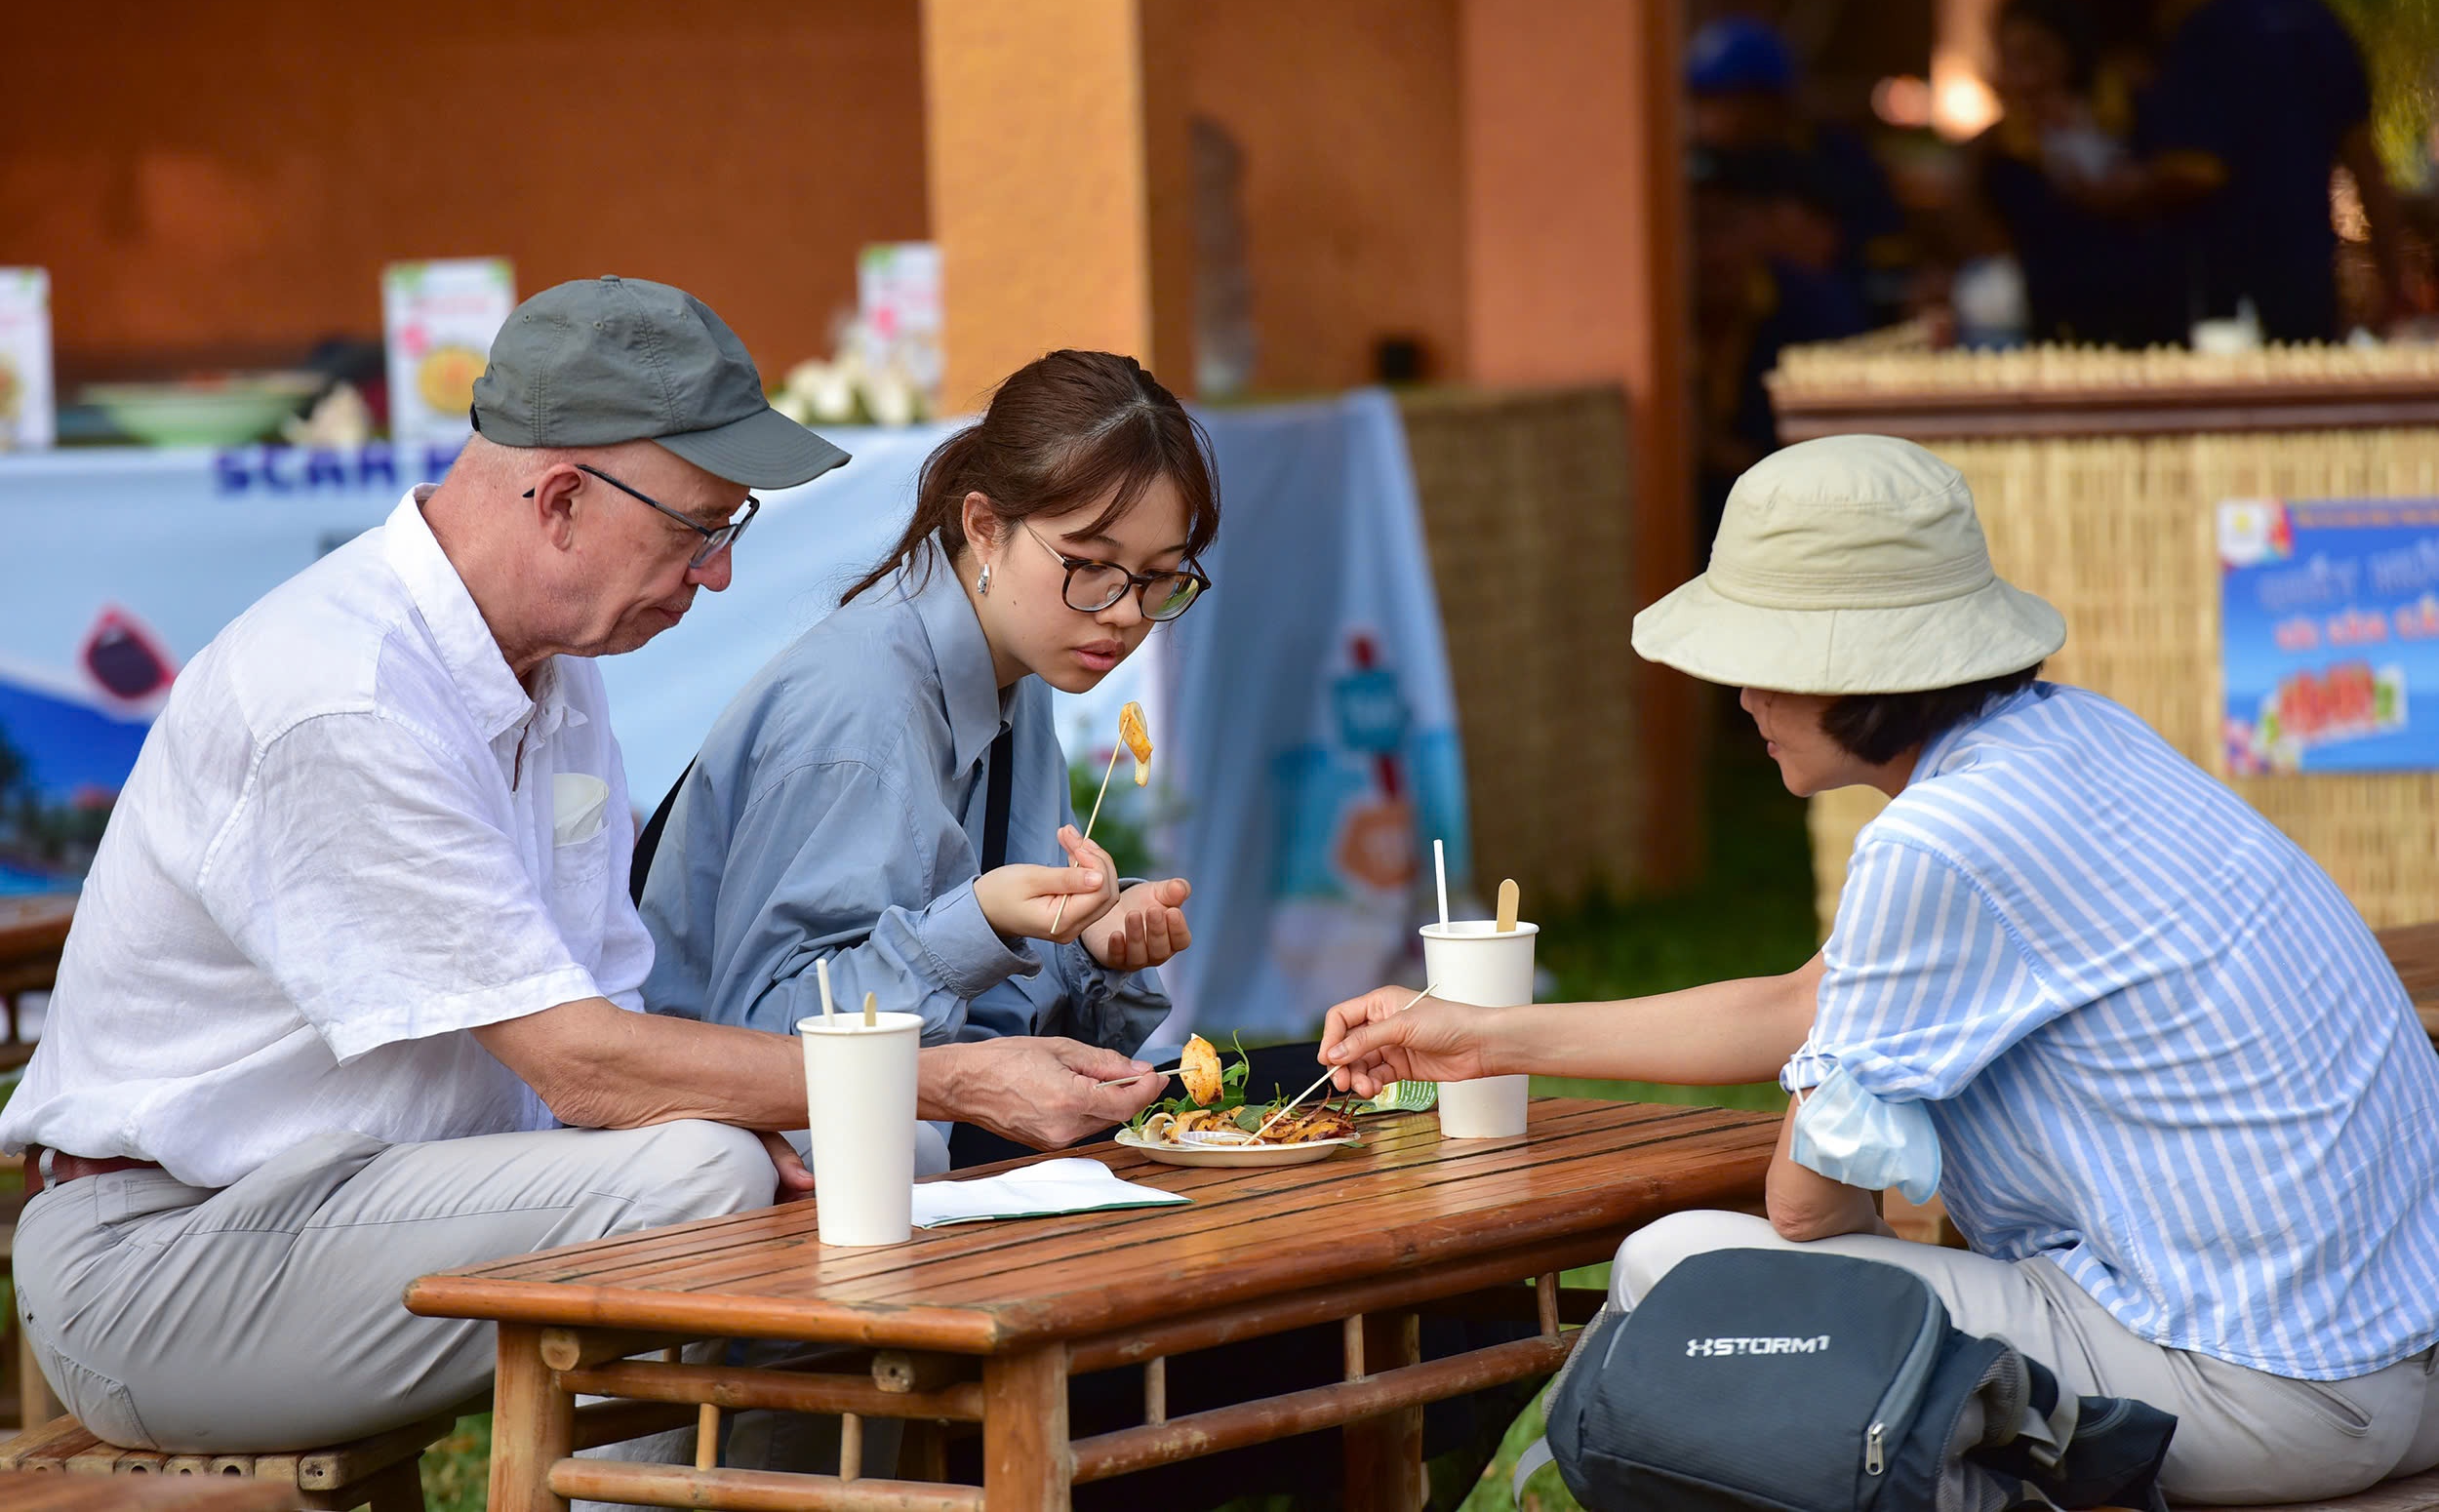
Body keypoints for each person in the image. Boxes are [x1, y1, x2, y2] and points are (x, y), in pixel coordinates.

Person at [0, 277, 1165, 1453]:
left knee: (816, 1152)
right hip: (162, 1264)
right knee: (709, 1176)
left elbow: (614, 1023)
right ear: (560, 498)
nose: (715, 574)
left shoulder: (556, 675)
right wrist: (954, 1081)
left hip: (364, 1210)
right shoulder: (343, 694)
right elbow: (583, 1070)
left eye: (731, 533)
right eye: (700, 529)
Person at [1319, 435, 2439, 1503]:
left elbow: (1808, 1211)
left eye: (1764, 664)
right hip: (2397, 1355)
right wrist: (1480, 1032)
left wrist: (1849, 1126)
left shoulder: (1937, 841)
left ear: (1860, 668)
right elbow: (1799, 1002)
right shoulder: (2074, 738)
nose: (1741, 699)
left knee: (1677, 1268)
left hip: (2256, 1393)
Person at [639, 348, 1209, 1170]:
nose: (1124, 616)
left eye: (1159, 580)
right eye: (1090, 566)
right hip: (734, 1169)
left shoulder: (1023, 660)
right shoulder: (862, 709)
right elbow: (767, 1043)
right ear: (984, 526)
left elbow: (998, 1044)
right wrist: (975, 922)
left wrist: (1093, 952)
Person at [2069, 0, 2407, 339]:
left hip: (2221, 303)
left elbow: (2194, 172)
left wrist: (2101, 192)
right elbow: (2366, 165)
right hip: (2308, 290)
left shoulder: (2201, 30)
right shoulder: (2312, 18)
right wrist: (2396, 286)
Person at [1964, 0, 2181, 348]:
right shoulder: (2002, 151)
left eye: (2036, 56)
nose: (2025, 77)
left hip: (2144, 324)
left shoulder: (2130, 119)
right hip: (2053, 331)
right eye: (2011, 58)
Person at [1691, 144, 1868, 541]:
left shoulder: (1816, 310)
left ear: (1759, 226)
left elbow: (1844, 469)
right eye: (1693, 230)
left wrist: (1717, 452)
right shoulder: (1657, 318)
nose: (1710, 252)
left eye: (1726, 225)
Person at [1687, 16, 1912, 325]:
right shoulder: (1694, 164)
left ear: (1770, 103)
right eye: (1702, 101)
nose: (1711, 117)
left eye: (1728, 100)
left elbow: (1884, 260)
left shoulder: (1832, 161)